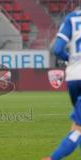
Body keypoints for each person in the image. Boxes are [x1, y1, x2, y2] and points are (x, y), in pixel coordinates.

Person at [42, 9, 81, 160]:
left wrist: (71, 60)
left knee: (78, 128)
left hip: (73, 76)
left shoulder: (72, 18)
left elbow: (57, 49)